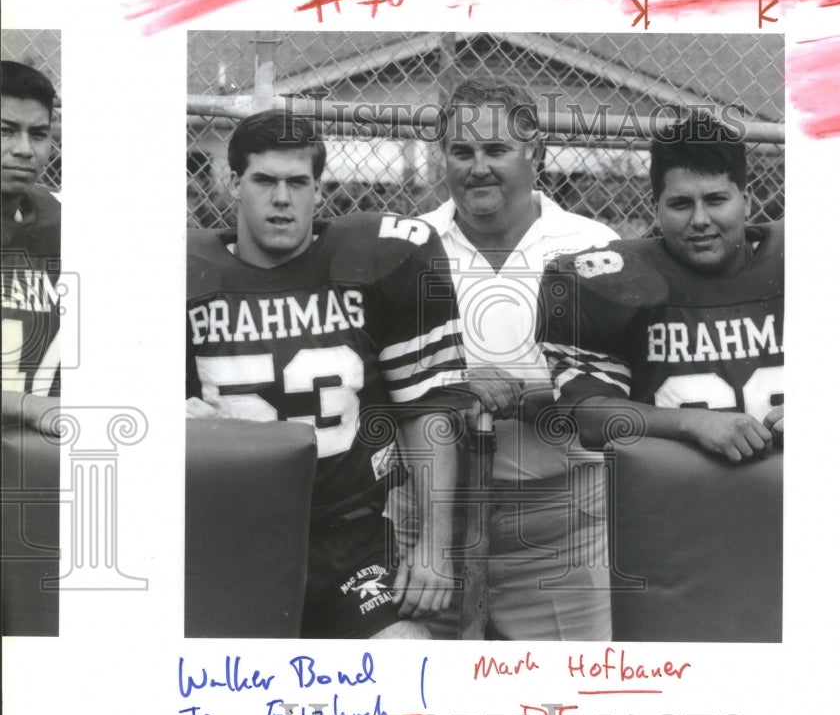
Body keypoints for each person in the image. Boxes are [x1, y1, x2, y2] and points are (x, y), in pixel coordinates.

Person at [186, 110, 466, 639]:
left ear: (319, 188)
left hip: (348, 535)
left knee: (409, 658)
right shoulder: (181, 273)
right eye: (264, 181)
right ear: (232, 184)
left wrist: (433, 546)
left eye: (298, 182)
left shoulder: (376, 261)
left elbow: (428, 406)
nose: (282, 198)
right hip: (224, 533)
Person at [389, 77, 619, 640]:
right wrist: (454, 384)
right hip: (430, 517)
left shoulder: (591, 246)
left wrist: (523, 393)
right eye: (461, 152)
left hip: (559, 520)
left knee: (570, 696)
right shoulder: (404, 246)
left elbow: (616, 394)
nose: (477, 168)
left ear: (534, 152)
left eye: (496, 150)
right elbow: (382, 379)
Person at [539, 111, 784, 460]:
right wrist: (692, 423)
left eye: (716, 199)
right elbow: (588, 415)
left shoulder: (801, 262)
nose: (700, 220)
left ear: (746, 201)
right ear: (656, 208)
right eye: (681, 204)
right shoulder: (609, 281)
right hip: (671, 502)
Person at [1, 60, 61, 436]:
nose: (25, 149)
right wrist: (27, 404)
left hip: (45, 452)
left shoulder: (67, 220)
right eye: (5, 131)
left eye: (38, 134)